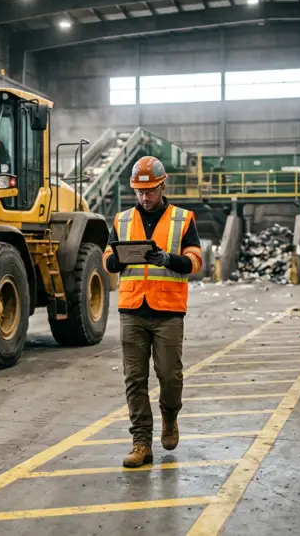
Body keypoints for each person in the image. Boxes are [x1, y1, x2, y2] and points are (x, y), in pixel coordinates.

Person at [102, 155, 203, 468]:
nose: (145, 198)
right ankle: (141, 442)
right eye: (139, 193)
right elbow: (107, 258)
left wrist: (168, 259)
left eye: (150, 192)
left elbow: (196, 261)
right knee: (135, 379)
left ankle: (170, 417)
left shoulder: (182, 219)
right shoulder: (121, 221)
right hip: (132, 309)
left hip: (168, 311)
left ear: (163, 186)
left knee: (169, 376)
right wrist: (115, 261)